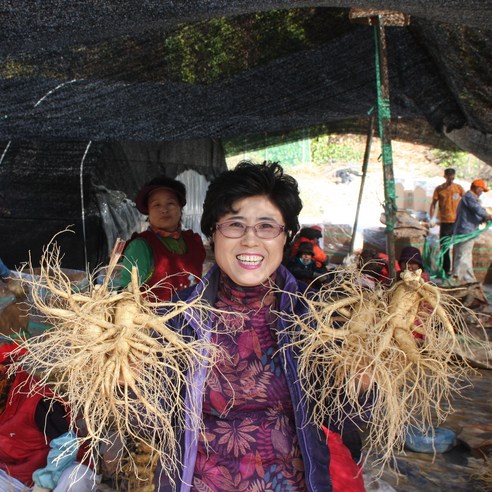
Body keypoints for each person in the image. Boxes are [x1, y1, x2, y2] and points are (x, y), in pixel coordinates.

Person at [153, 161, 366, 492]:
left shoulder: (312, 320)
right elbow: (149, 423)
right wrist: (124, 385)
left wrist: (362, 385)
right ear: (213, 233)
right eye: (234, 225)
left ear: (286, 237)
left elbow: (344, 425)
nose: (250, 240)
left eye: (267, 227)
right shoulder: (175, 317)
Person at [0, 342, 99, 491]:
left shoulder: (37, 399)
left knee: (75, 478)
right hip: (14, 476)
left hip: (58, 471)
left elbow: (67, 445)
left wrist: (44, 484)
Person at [120, 176, 206, 301]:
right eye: (156, 205)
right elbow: (128, 296)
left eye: (170, 203)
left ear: (180, 208)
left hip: (193, 317)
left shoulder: (193, 241)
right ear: (148, 212)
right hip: (154, 319)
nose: (164, 210)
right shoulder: (140, 247)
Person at [451, 179, 492, 285]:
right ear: (477, 188)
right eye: (482, 190)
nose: (482, 192)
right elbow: (478, 210)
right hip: (465, 231)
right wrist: (488, 215)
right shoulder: (469, 197)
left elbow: (476, 214)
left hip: (467, 230)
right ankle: (457, 278)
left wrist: (484, 218)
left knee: (465, 254)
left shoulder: (471, 198)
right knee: (463, 255)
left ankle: (469, 279)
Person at [429, 168, 465, 277]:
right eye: (448, 177)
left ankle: (457, 271)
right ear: (445, 177)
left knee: (459, 246)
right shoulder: (439, 189)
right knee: (445, 246)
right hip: (445, 222)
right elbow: (433, 204)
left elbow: (466, 201)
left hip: (457, 222)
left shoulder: (458, 188)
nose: (450, 180)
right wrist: (432, 218)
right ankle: (446, 270)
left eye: (452, 178)